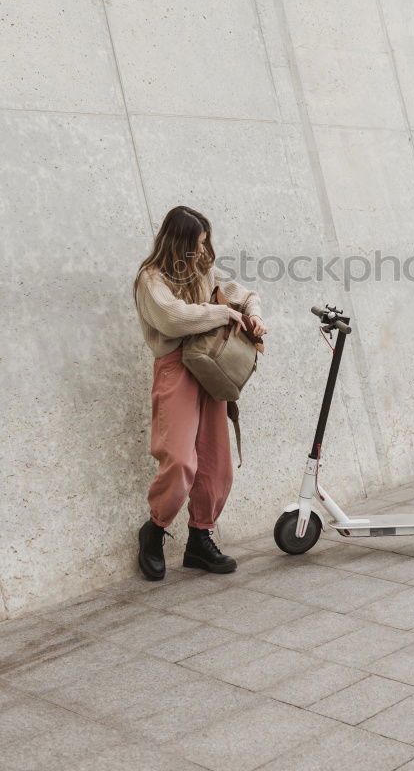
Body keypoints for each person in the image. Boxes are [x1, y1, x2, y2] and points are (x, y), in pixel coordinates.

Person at [132, 205, 266, 581]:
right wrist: (223, 315)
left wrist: (252, 314)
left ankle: (199, 540)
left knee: (216, 463)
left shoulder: (202, 269)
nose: (203, 250)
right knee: (179, 460)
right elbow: (172, 318)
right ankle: (155, 530)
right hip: (176, 368)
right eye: (197, 243)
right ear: (179, 242)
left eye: (204, 243)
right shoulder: (151, 278)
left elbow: (244, 293)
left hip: (209, 365)